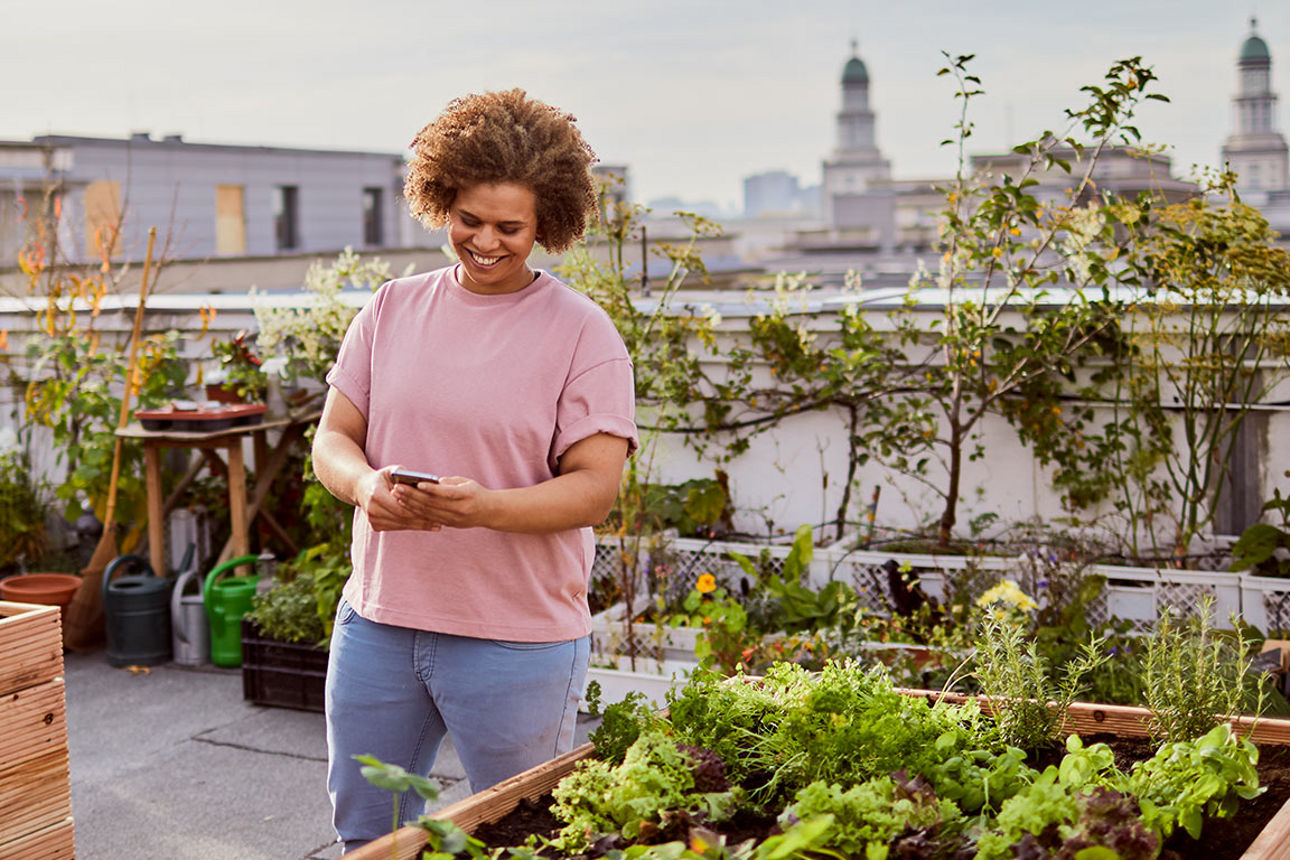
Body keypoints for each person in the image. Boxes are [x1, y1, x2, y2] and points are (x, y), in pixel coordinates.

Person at [311, 88, 638, 851]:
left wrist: (484, 507)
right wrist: (363, 487)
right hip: (380, 625)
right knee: (367, 834)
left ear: (546, 224)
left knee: (517, 840)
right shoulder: (390, 309)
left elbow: (596, 489)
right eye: (469, 220)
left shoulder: (583, 335)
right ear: (441, 201)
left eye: (509, 227)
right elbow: (332, 440)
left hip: (514, 639)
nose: (486, 241)